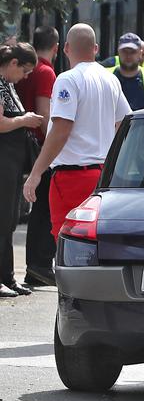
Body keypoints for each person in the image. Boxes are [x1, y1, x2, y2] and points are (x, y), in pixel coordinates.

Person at [22, 24, 131, 245]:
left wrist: (36, 173)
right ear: (96, 48)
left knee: (67, 245)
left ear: (66, 49)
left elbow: (61, 129)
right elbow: (125, 124)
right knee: (98, 245)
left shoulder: (67, 79)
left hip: (71, 177)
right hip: (103, 177)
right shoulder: (111, 80)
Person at [14, 26, 58, 287]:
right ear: (55, 46)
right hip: (39, 148)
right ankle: (40, 265)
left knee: (36, 208)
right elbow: (44, 116)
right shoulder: (45, 72)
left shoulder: (29, 70)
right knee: (44, 207)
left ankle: (36, 266)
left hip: (21, 146)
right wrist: (53, 147)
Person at [0, 43, 44, 297]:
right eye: (25, 71)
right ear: (13, 63)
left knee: (9, 220)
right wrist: (25, 119)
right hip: (4, 161)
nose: (26, 77)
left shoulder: (9, 85)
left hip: (12, 162)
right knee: (2, 218)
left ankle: (8, 276)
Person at [108, 32, 144, 111]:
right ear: (118, 52)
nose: (128, 55)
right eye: (124, 51)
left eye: (132, 52)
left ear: (140, 53)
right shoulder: (106, 77)